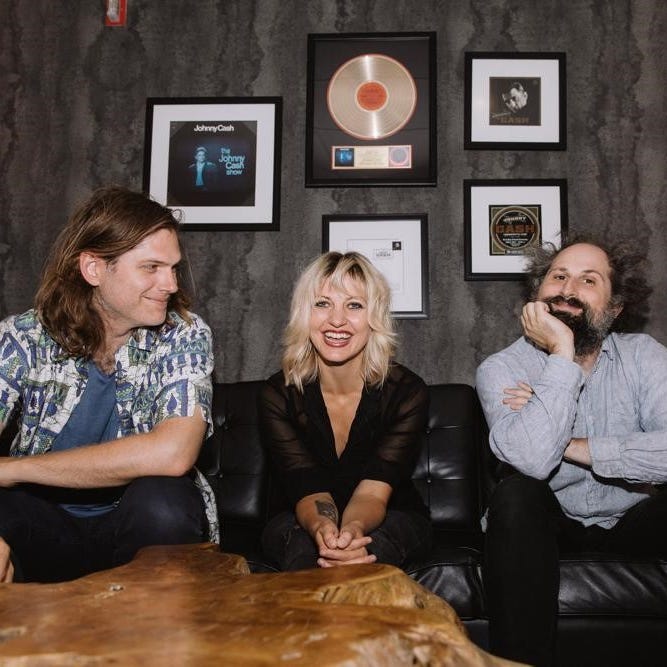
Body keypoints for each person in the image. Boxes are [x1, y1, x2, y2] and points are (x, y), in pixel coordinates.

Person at [0, 186, 218, 583]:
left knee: (163, 498)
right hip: (46, 528)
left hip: (139, 530)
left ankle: (153, 636)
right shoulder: (23, 338)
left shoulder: (184, 334)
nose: (170, 284)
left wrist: (13, 470)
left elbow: (174, 453)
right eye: (151, 268)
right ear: (94, 269)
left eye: (173, 268)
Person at [475, 236, 667, 666]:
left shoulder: (645, 357)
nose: (568, 289)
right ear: (536, 297)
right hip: (547, 526)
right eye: (558, 276)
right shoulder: (502, 368)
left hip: (633, 519)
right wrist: (561, 353)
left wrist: (570, 443)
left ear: (615, 308)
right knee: (516, 493)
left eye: (588, 280)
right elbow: (529, 462)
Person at [259, 251, 432, 571]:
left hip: (388, 515)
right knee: (308, 552)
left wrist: (351, 532)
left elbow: (374, 492)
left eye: (354, 305)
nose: (336, 320)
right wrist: (324, 531)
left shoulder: (407, 392)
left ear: (374, 317)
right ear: (303, 314)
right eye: (322, 304)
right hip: (300, 517)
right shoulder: (278, 395)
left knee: (368, 555)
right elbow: (306, 486)